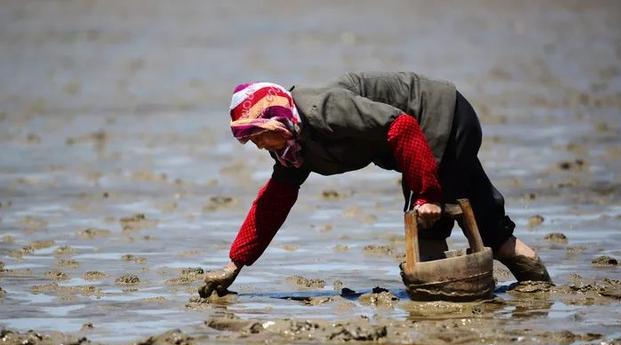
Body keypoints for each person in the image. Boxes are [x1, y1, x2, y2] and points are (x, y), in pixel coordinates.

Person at [198, 72, 551, 298]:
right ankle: (536, 284)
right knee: (486, 218)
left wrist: (427, 194)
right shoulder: (293, 149)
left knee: (426, 227)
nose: (257, 145)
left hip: (440, 120)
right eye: (250, 140)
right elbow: (274, 202)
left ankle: (450, 303)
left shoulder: (324, 110)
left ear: (276, 119)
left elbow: (402, 126)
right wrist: (235, 264)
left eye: (258, 134)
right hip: (433, 128)